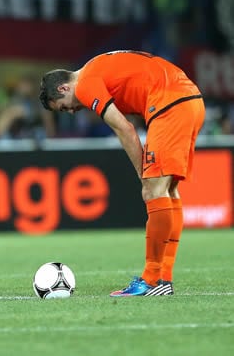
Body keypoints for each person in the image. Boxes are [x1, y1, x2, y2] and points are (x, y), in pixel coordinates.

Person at [39, 50, 205, 297]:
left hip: (170, 104)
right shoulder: (95, 66)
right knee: (168, 190)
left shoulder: (84, 85)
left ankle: (151, 281)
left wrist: (143, 174)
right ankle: (163, 279)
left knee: (154, 190)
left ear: (63, 88)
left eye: (64, 108)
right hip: (190, 100)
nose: (72, 112)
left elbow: (124, 129)